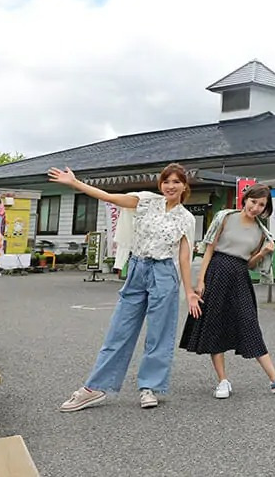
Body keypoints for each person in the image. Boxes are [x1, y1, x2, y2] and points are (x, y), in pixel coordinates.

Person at [52, 163, 201, 412]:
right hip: (138, 268)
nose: (170, 186)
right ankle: (95, 387)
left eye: (176, 182)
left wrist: (190, 292)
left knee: (159, 334)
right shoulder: (145, 201)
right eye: (166, 181)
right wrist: (75, 183)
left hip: (164, 273)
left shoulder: (186, 218)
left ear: (185, 185)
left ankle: (150, 387)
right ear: (160, 184)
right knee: (119, 330)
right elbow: (108, 197)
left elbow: (185, 258)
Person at [180, 183, 275, 398]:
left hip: (240, 277)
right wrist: (201, 280)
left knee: (249, 322)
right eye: (253, 202)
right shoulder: (225, 217)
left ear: (265, 208)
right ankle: (223, 381)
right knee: (215, 323)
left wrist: (263, 253)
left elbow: (249, 265)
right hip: (216, 271)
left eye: (261, 205)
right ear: (245, 199)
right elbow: (209, 249)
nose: (256, 207)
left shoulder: (261, 232)